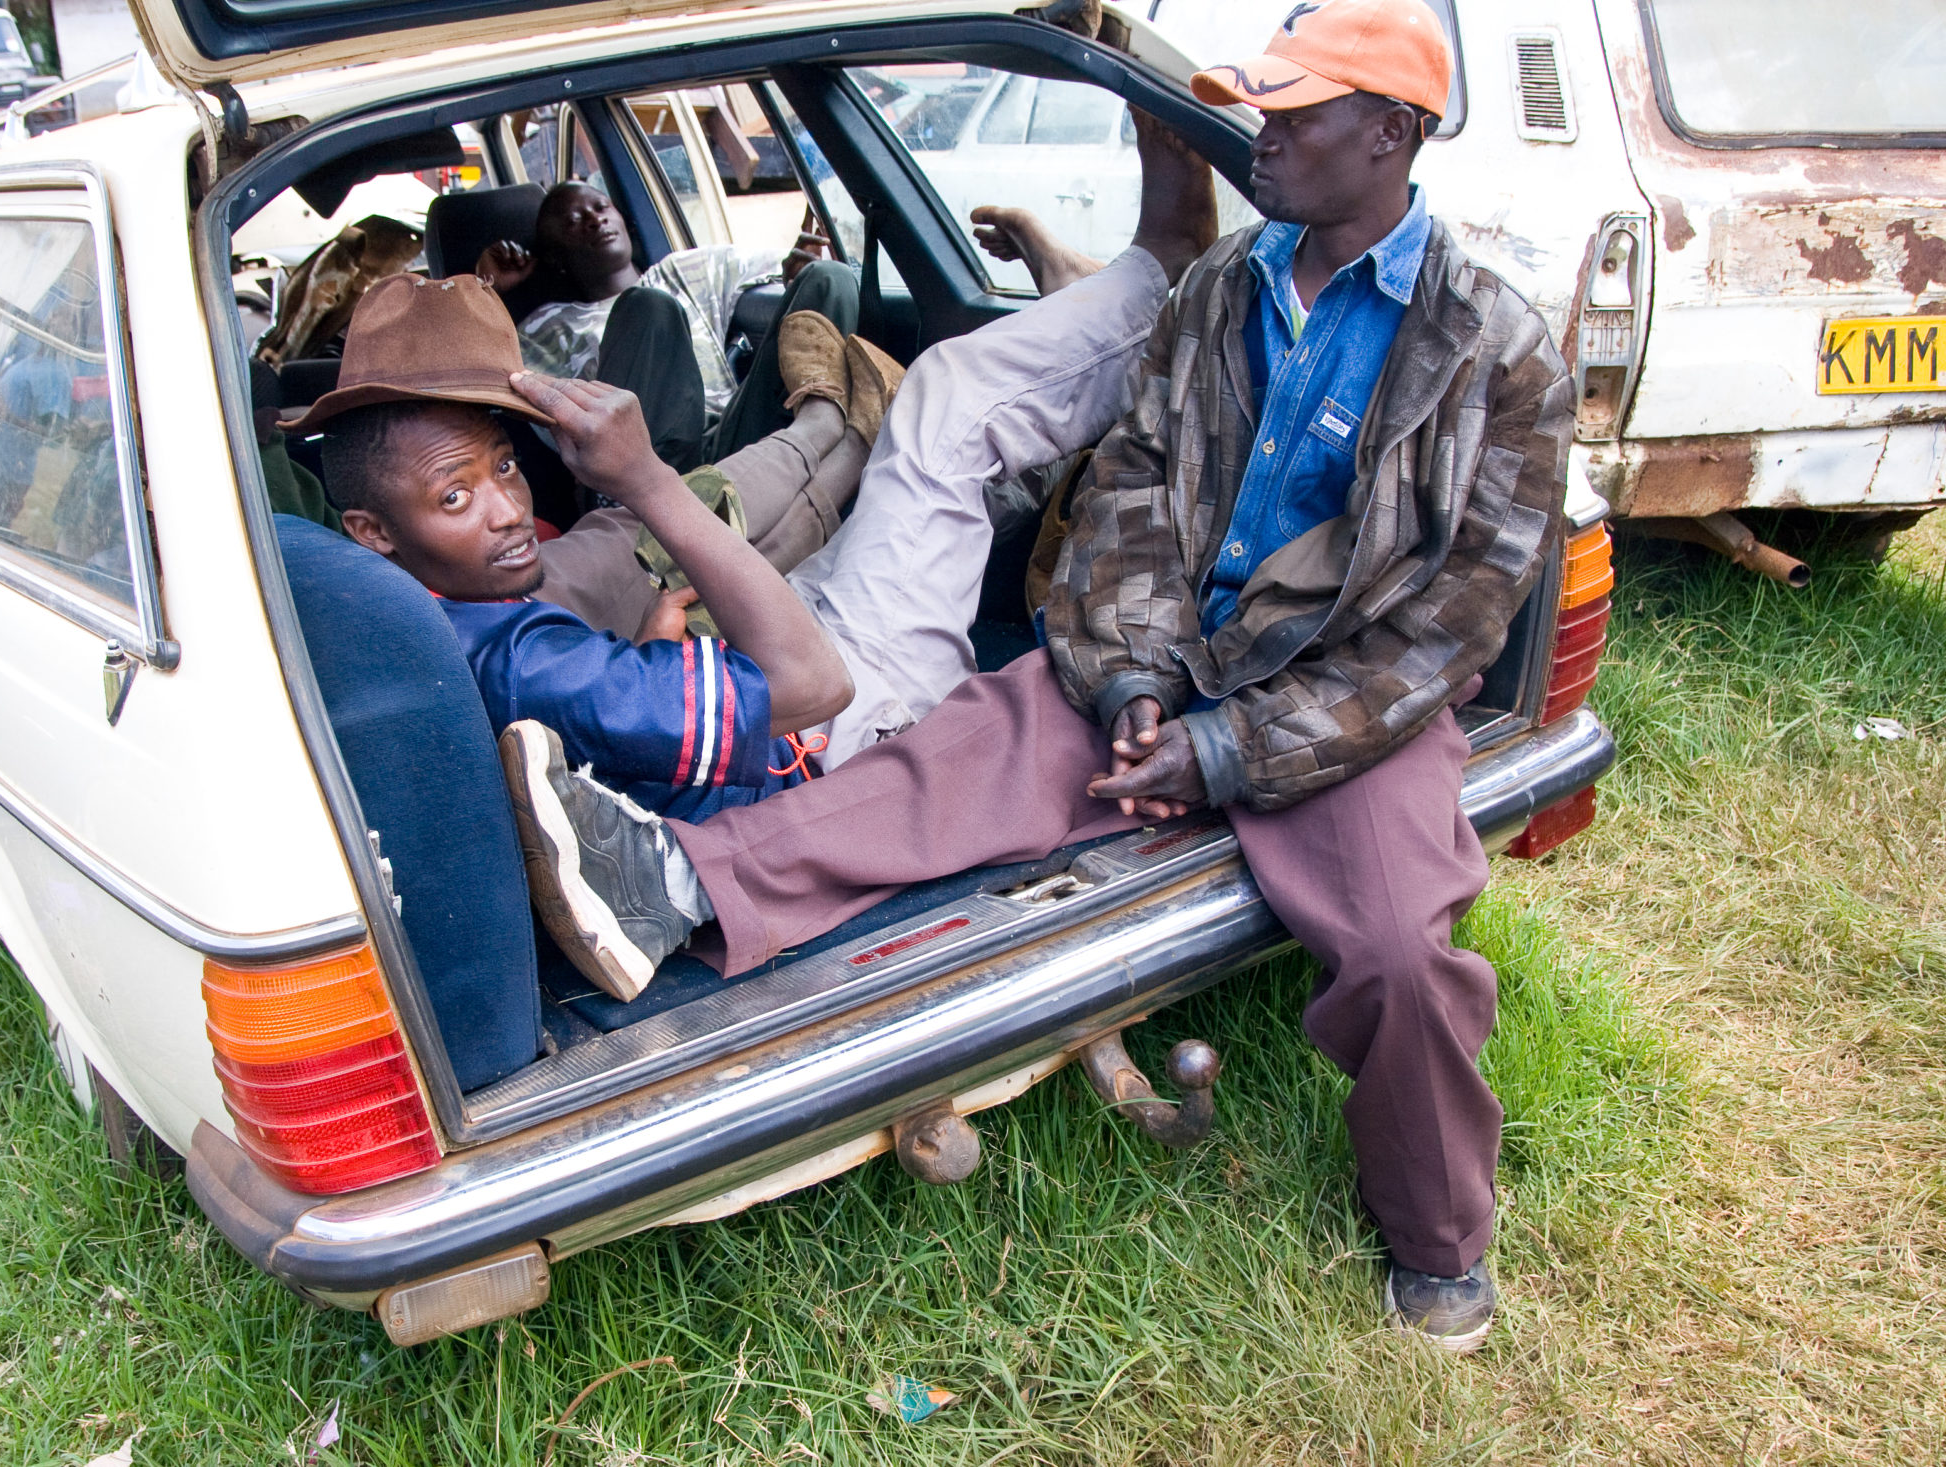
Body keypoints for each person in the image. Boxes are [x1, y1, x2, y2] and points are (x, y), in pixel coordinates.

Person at [501, 0, 1574, 1355]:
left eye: (1295, 116)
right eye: (1261, 107)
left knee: (1404, 956)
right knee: (940, 761)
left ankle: (1438, 1240)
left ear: (1392, 134)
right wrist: (1128, 680)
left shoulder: (1495, 347)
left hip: (1348, 707)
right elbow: (1130, 494)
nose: (1261, 136)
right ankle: (673, 882)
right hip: (1172, 662)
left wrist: (1227, 752)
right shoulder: (1222, 287)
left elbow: (1446, 630)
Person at [474, 181, 858, 469]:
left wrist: (797, 267)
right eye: (574, 222)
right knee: (647, 306)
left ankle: (819, 436)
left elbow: (784, 265)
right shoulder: (547, 328)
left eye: (601, 207)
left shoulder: (681, 272)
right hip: (655, 468)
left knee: (830, 278)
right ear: (555, 257)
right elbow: (480, 375)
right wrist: (484, 286)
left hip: (735, 438)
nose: (594, 219)